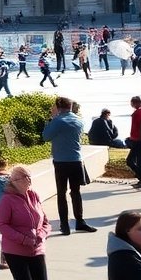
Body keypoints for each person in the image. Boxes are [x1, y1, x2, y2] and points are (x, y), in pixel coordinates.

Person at [42, 96, 96, 234]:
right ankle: (80, 221)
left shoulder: (58, 121)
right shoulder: (79, 120)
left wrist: (53, 118)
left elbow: (45, 136)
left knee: (61, 193)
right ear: (71, 107)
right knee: (76, 192)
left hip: (61, 162)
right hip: (76, 160)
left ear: (58, 107)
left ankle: (65, 225)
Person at [0, 165, 50, 280]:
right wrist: (23, 239)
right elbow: (1, 225)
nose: (29, 179)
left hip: (37, 249)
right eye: (25, 177)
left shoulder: (33, 195)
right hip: (15, 251)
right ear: (14, 181)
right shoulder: (6, 200)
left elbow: (45, 222)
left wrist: (42, 234)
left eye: (29, 176)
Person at [125, 96, 141, 189]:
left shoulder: (138, 113)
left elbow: (137, 128)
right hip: (139, 140)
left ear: (134, 103)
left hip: (138, 141)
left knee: (130, 161)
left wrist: (133, 138)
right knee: (139, 161)